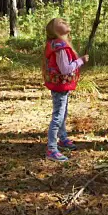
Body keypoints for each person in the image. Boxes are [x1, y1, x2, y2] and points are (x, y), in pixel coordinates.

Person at [42, 18, 89, 162]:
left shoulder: (57, 44)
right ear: (55, 31)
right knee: (58, 116)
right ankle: (51, 148)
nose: (66, 22)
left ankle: (62, 138)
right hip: (60, 86)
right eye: (61, 23)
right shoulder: (60, 47)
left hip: (60, 86)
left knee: (63, 113)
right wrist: (80, 61)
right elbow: (65, 69)